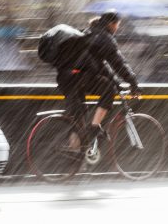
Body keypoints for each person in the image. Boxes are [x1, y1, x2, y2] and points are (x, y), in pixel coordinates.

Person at [56, 11, 141, 150]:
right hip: (79, 77)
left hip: (66, 77)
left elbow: (101, 67)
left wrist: (117, 83)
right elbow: (119, 64)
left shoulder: (88, 33)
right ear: (111, 24)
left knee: (79, 113)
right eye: (117, 25)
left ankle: (75, 154)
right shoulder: (104, 38)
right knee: (108, 90)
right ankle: (94, 128)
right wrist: (133, 84)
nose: (117, 28)